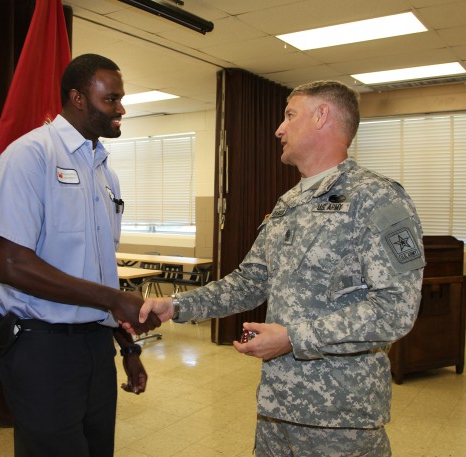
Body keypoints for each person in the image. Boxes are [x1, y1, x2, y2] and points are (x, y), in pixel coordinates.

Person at [135, 80, 425, 456]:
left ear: (322, 116)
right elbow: (251, 281)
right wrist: (176, 306)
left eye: (290, 115)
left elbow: (395, 310)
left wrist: (295, 337)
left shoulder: (378, 198)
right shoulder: (289, 203)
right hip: (277, 408)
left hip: (340, 418)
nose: (279, 129)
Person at [0, 53, 160, 457]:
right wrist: (116, 300)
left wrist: (127, 348)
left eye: (121, 99)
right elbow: (13, 266)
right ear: (78, 98)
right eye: (110, 100)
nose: (121, 109)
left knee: (97, 449)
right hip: (40, 345)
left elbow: (98, 272)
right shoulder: (30, 156)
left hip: (95, 345)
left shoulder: (103, 171)